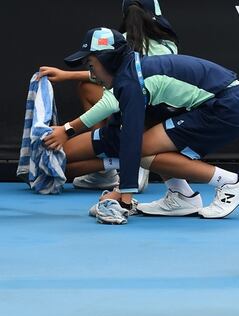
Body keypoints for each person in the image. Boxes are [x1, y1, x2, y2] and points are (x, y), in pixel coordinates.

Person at [45, 28, 239, 224]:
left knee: (143, 149)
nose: (92, 74)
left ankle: (232, 182)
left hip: (226, 106)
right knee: (147, 147)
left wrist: (123, 199)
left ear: (107, 60)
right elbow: (122, 129)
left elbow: (131, 139)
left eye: (91, 66)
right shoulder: (130, 73)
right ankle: (182, 196)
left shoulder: (131, 83)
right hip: (227, 102)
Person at [39, 0, 179, 190]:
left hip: (146, 124)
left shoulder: (120, 44)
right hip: (125, 122)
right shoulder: (167, 45)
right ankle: (112, 166)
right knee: (57, 163)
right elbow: (106, 77)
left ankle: (136, 161)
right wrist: (66, 76)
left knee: (58, 161)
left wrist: (67, 129)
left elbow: (114, 98)